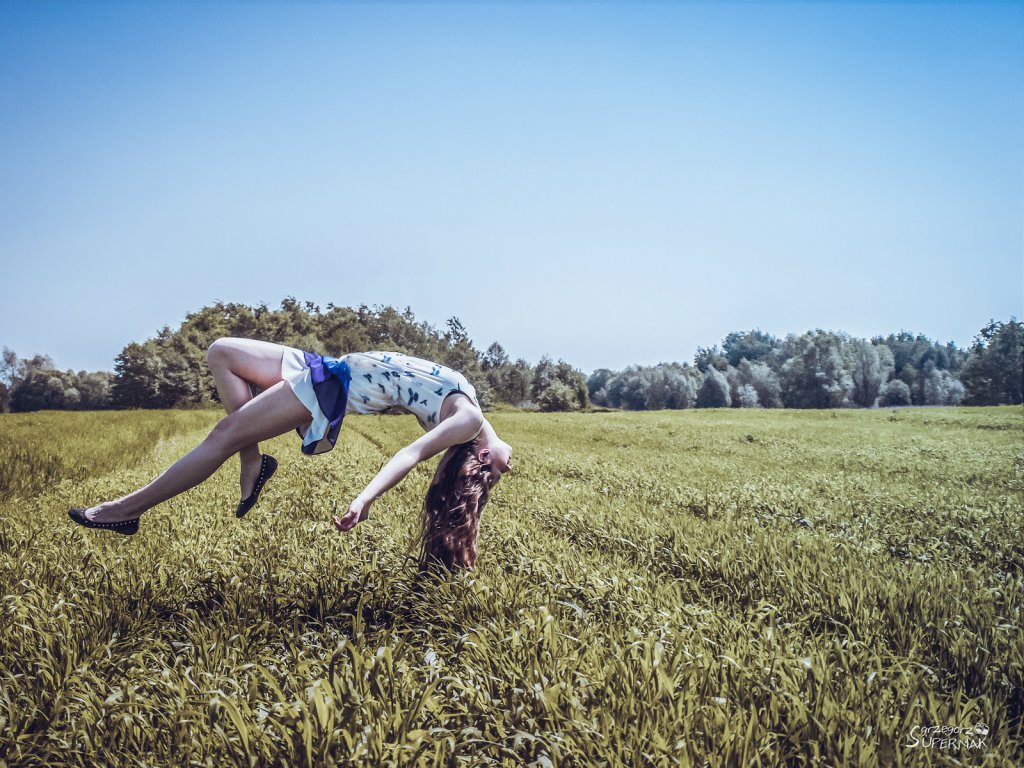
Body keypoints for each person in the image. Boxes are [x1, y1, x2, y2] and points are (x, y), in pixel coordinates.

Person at [68, 338, 513, 569]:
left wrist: (365, 498)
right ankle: (252, 460)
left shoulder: (468, 422)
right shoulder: (467, 397)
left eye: (491, 472)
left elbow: (410, 455)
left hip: (327, 388)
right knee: (221, 352)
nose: (503, 468)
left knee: (221, 435)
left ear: (478, 454)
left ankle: (125, 510)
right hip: (325, 363)